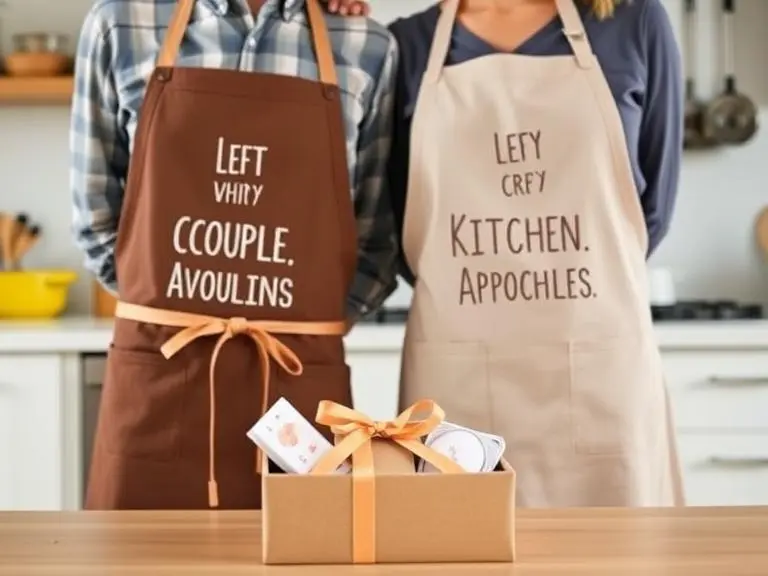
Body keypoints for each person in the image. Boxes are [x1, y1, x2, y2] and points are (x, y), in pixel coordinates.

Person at [332, 0, 685, 507]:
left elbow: (649, 213)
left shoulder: (632, 22)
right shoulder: (406, 45)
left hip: (601, 375)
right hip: (457, 379)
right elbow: (397, 222)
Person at [70, 0, 399, 510]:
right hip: (158, 376)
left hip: (297, 381)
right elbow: (96, 217)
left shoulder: (365, 45)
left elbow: (376, 240)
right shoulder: (120, 23)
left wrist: (302, 322)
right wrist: (161, 299)